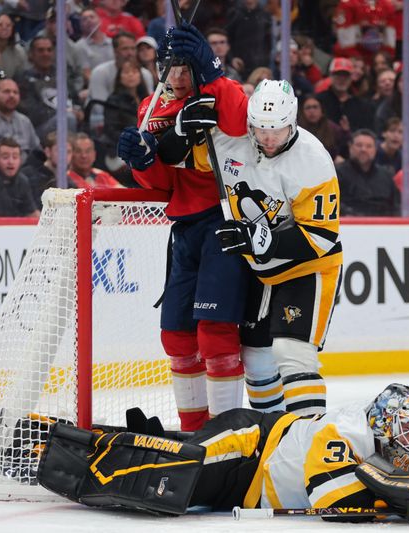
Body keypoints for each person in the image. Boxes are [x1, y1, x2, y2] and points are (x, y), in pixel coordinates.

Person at [168, 21, 343, 417]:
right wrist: (175, 131)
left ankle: (307, 443)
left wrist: (264, 241)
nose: (266, 140)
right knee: (257, 360)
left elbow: (321, 236)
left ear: (293, 122)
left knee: (291, 353)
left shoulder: (312, 161)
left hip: (308, 269)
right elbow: (180, 160)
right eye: (260, 130)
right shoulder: (235, 140)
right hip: (260, 269)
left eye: (276, 132)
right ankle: (270, 440)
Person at [38, 383, 409, 524]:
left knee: (165, 477)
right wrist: (404, 499)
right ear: (381, 425)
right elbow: (331, 501)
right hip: (250, 447)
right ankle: (48, 446)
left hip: (245, 489)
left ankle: (72, 445)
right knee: (164, 470)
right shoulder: (347, 431)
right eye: (406, 436)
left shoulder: (400, 446)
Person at [117, 58, 251, 431]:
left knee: (215, 331)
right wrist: (142, 160)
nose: (176, 78)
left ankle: (226, 433)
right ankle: (193, 430)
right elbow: (161, 185)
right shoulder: (151, 106)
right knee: (175, 335)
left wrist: (213, 70)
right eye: (169, 68)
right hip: (184, 228)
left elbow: (241, 124)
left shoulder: (222, 94)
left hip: (224, 221)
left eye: (185, 69)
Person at [337, 129, 399, 216]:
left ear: (375, 149)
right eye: (359, 145)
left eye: (369, 146)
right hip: (348, 226)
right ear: (350, 147)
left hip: (383, 226)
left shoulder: (386, 176)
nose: (363, 149)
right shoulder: (337, 174)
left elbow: (396, 206)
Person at [0, 79, 41, 158]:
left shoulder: (24, 121)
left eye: (15, 92)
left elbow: (37, 150)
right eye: (6, 92)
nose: (12, 95)